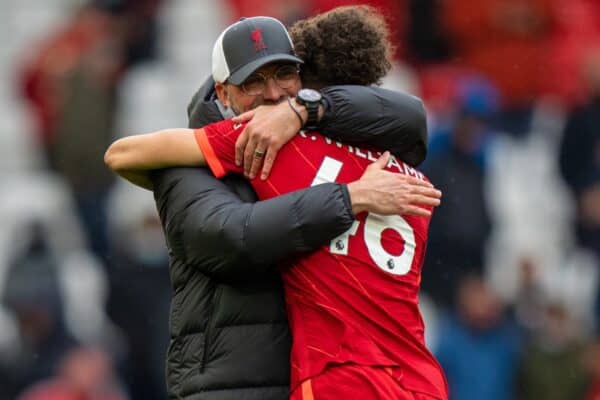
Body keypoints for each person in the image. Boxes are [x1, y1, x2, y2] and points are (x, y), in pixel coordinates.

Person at [106, 6, 446, 399]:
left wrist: (304, 115)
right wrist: (348, 195)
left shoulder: (291, 149)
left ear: (308, 81)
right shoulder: (408, 177)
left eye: (285, 75)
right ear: (222, 92)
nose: (273, 95)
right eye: (253, 81)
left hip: (340, 374)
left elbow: (121, 155)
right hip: (412, 377)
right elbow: (232, 236)